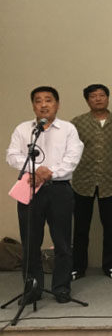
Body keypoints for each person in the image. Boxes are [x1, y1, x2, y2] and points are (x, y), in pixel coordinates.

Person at [6, 86, 84, 303]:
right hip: (30, 187)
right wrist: (36, 169)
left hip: (59, 189)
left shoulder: (68, 129)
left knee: (62, 241)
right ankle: (32, 288)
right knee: (30, 241)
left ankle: (61, 287)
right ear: (33, 105)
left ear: (57, 104)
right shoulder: (23, 129)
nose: (43, 105)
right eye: (38, 101)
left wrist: (49, 173)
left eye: (48, 100)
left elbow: (73, 158)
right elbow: (12, 155)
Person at [71, 84, 112, 280]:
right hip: (83, 181)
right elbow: (70, 150)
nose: (98, 99)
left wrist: (109, 163)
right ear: (87, 100)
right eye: (93, 96)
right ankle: (77, 267)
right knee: (80, 227)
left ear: (107, 98)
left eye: (102, 95)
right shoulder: (77, 123)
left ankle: (111, 265)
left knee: (110, 226)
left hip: (109, 181)